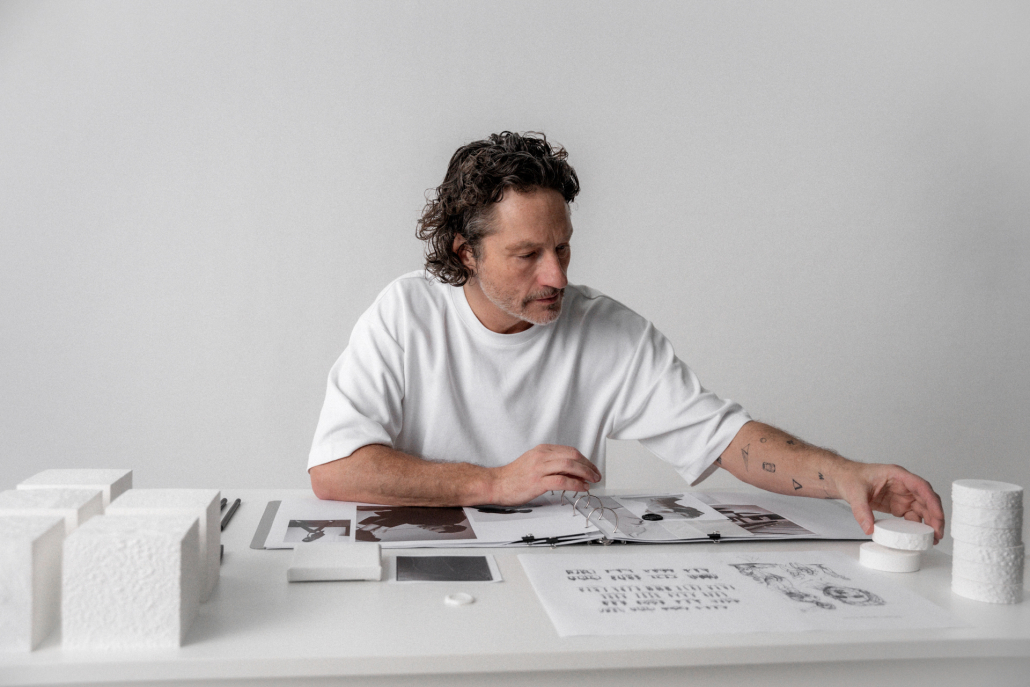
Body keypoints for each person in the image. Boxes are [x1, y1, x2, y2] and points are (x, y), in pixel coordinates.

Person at [308, 131, 945, 543]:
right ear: (465, 252)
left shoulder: (607, 331)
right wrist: (495, 483)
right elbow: (336, 470)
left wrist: (846, 474)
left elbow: (726, 438)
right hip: (428, 562)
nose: (557, 276)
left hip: (562, 561)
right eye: (528, 254)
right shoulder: (405, 314)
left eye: (562, 248)